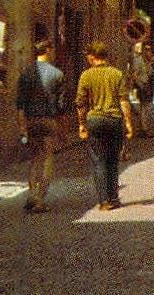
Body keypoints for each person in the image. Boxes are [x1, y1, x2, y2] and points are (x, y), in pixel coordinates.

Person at [75, 41, 134, 211]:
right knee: (113, 160)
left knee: (99, 161)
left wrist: (82, 125)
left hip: (94, 120)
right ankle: (114, 197)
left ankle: (103, 201)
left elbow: (81, 104)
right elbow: (124, 101)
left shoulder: (86, 76)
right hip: (114, 120)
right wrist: (129, 123)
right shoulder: (117, 74)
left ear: (92, 57)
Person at [15, 37, 65, 213]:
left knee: (34, 159)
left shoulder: (25, 73)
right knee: (47, 159)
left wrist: (22, 127)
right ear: (48, 50)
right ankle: (40, 199)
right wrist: (61, 129)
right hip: (48, 120)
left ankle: (31, 195)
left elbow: (20, 104)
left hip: (30, 120)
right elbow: (60, 106)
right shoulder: (57, 74)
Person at [128, 37, 154, 136]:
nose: (148, 51)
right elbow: (134, 74)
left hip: (149, 84)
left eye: (150, 49)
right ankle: (143, 129)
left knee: (147, 107)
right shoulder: (138, 60)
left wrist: (153, 60)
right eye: (147, 49)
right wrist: (140, 85)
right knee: (144, 107)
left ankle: (144, 127)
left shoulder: (148, 60)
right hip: (143, 84)